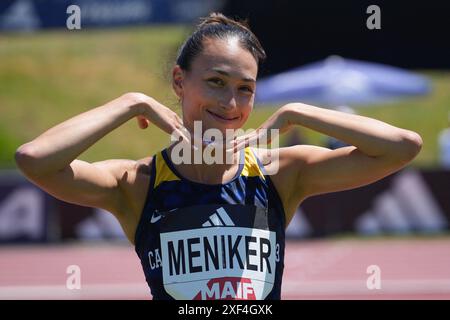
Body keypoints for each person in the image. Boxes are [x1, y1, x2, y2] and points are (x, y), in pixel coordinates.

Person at [15, 13, 422, 300]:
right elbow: (35, 159)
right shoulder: (138, 183)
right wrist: (131, 103)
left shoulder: (279, 174)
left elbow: (403, 147)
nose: (230, 102)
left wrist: (298, 112)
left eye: (245, 88)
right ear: (180, 80)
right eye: (215, 82)